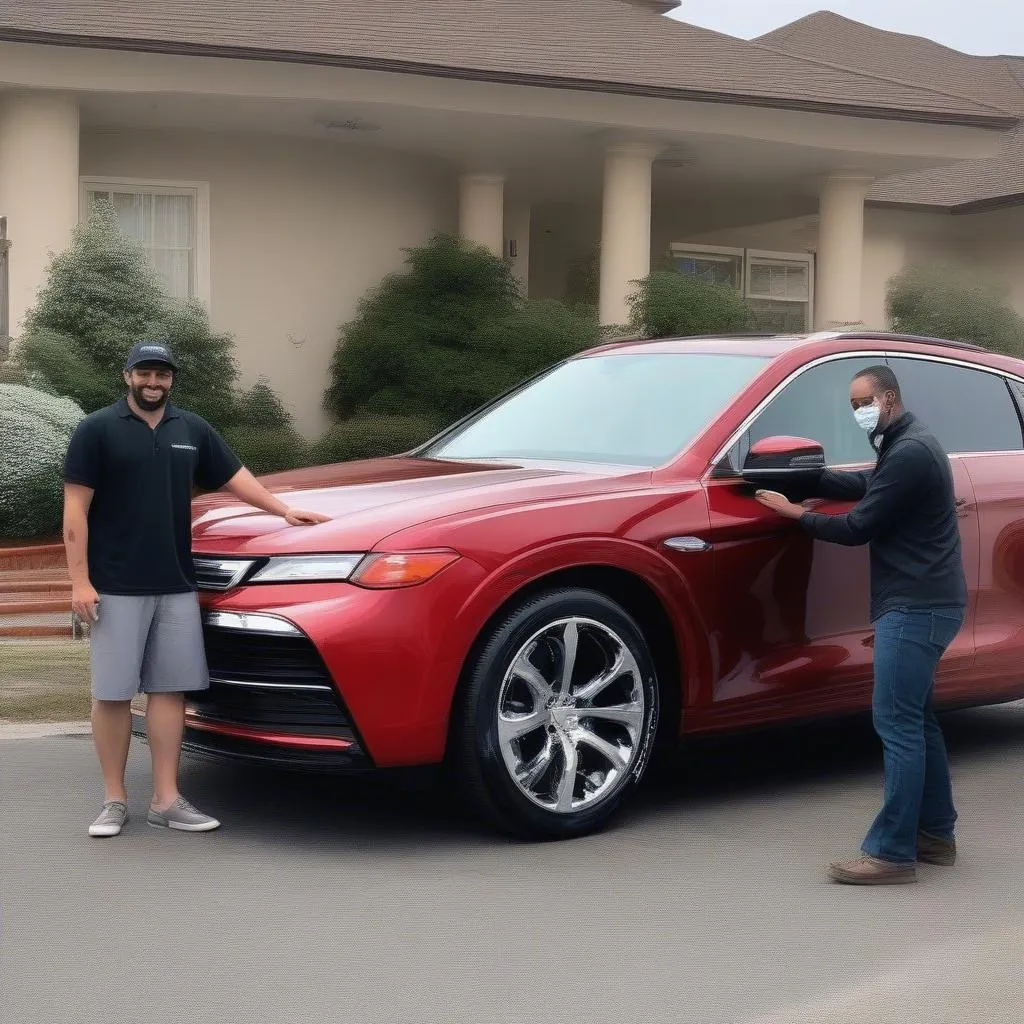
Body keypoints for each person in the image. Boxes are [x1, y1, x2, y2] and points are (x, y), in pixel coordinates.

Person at [63, 341, 330, 838]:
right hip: (116, 586)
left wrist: (282, 510)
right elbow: (75, 508)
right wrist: (80, 580)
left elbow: (235, 476)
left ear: (171, 380)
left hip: (177, 586)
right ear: (127, 376)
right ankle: (114, 800)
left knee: (170, 691)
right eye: (144, 373)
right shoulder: (96, 430)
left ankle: (166, 799)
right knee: (113, 693)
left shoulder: (192, 429)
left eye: (162, 375)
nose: (153, 383)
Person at [754, 365, 967, 885]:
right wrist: (808, 478)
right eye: (852, 405)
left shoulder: (911, 451)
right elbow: (866, 483)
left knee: (896, 723)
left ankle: (893, 854)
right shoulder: (904, 443)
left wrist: (792, 514)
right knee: (917, 720)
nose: (857, 412)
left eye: (862, 402)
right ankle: (935, 836)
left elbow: (859, 526)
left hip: (916, 608)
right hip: (932, 603)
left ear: (889, 397)